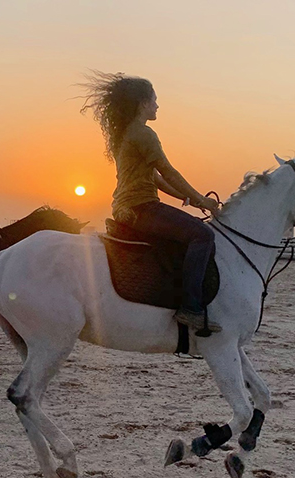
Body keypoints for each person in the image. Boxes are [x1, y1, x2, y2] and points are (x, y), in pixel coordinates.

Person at [80, 71, 221, 332]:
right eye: (154, 100)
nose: (157, 105)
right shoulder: (144, 133)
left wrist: (189, 199)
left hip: (126, 206)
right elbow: (168, 171)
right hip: (142, 207)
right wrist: (203, 199)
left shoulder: (125, 135)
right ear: (142, 103)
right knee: (203, 235)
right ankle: (191, 308)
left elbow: (155, 178)